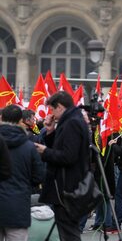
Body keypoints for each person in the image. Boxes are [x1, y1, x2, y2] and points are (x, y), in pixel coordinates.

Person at [35, 91, 91, 241]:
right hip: (67, 185)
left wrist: (45, 152)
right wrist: (50, 131)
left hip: (66, 187)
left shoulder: (72, 122)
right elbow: (61, 148)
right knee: (67, 231)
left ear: (59, 106)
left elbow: (68, 156)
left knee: (69, 233)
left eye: (52, 109)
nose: (51, 113)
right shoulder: (71, 120)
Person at [0, 104, 44, 241]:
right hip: (18, 206)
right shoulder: (29, 146)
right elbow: (38, 177)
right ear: (20, 121)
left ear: (1, 118)